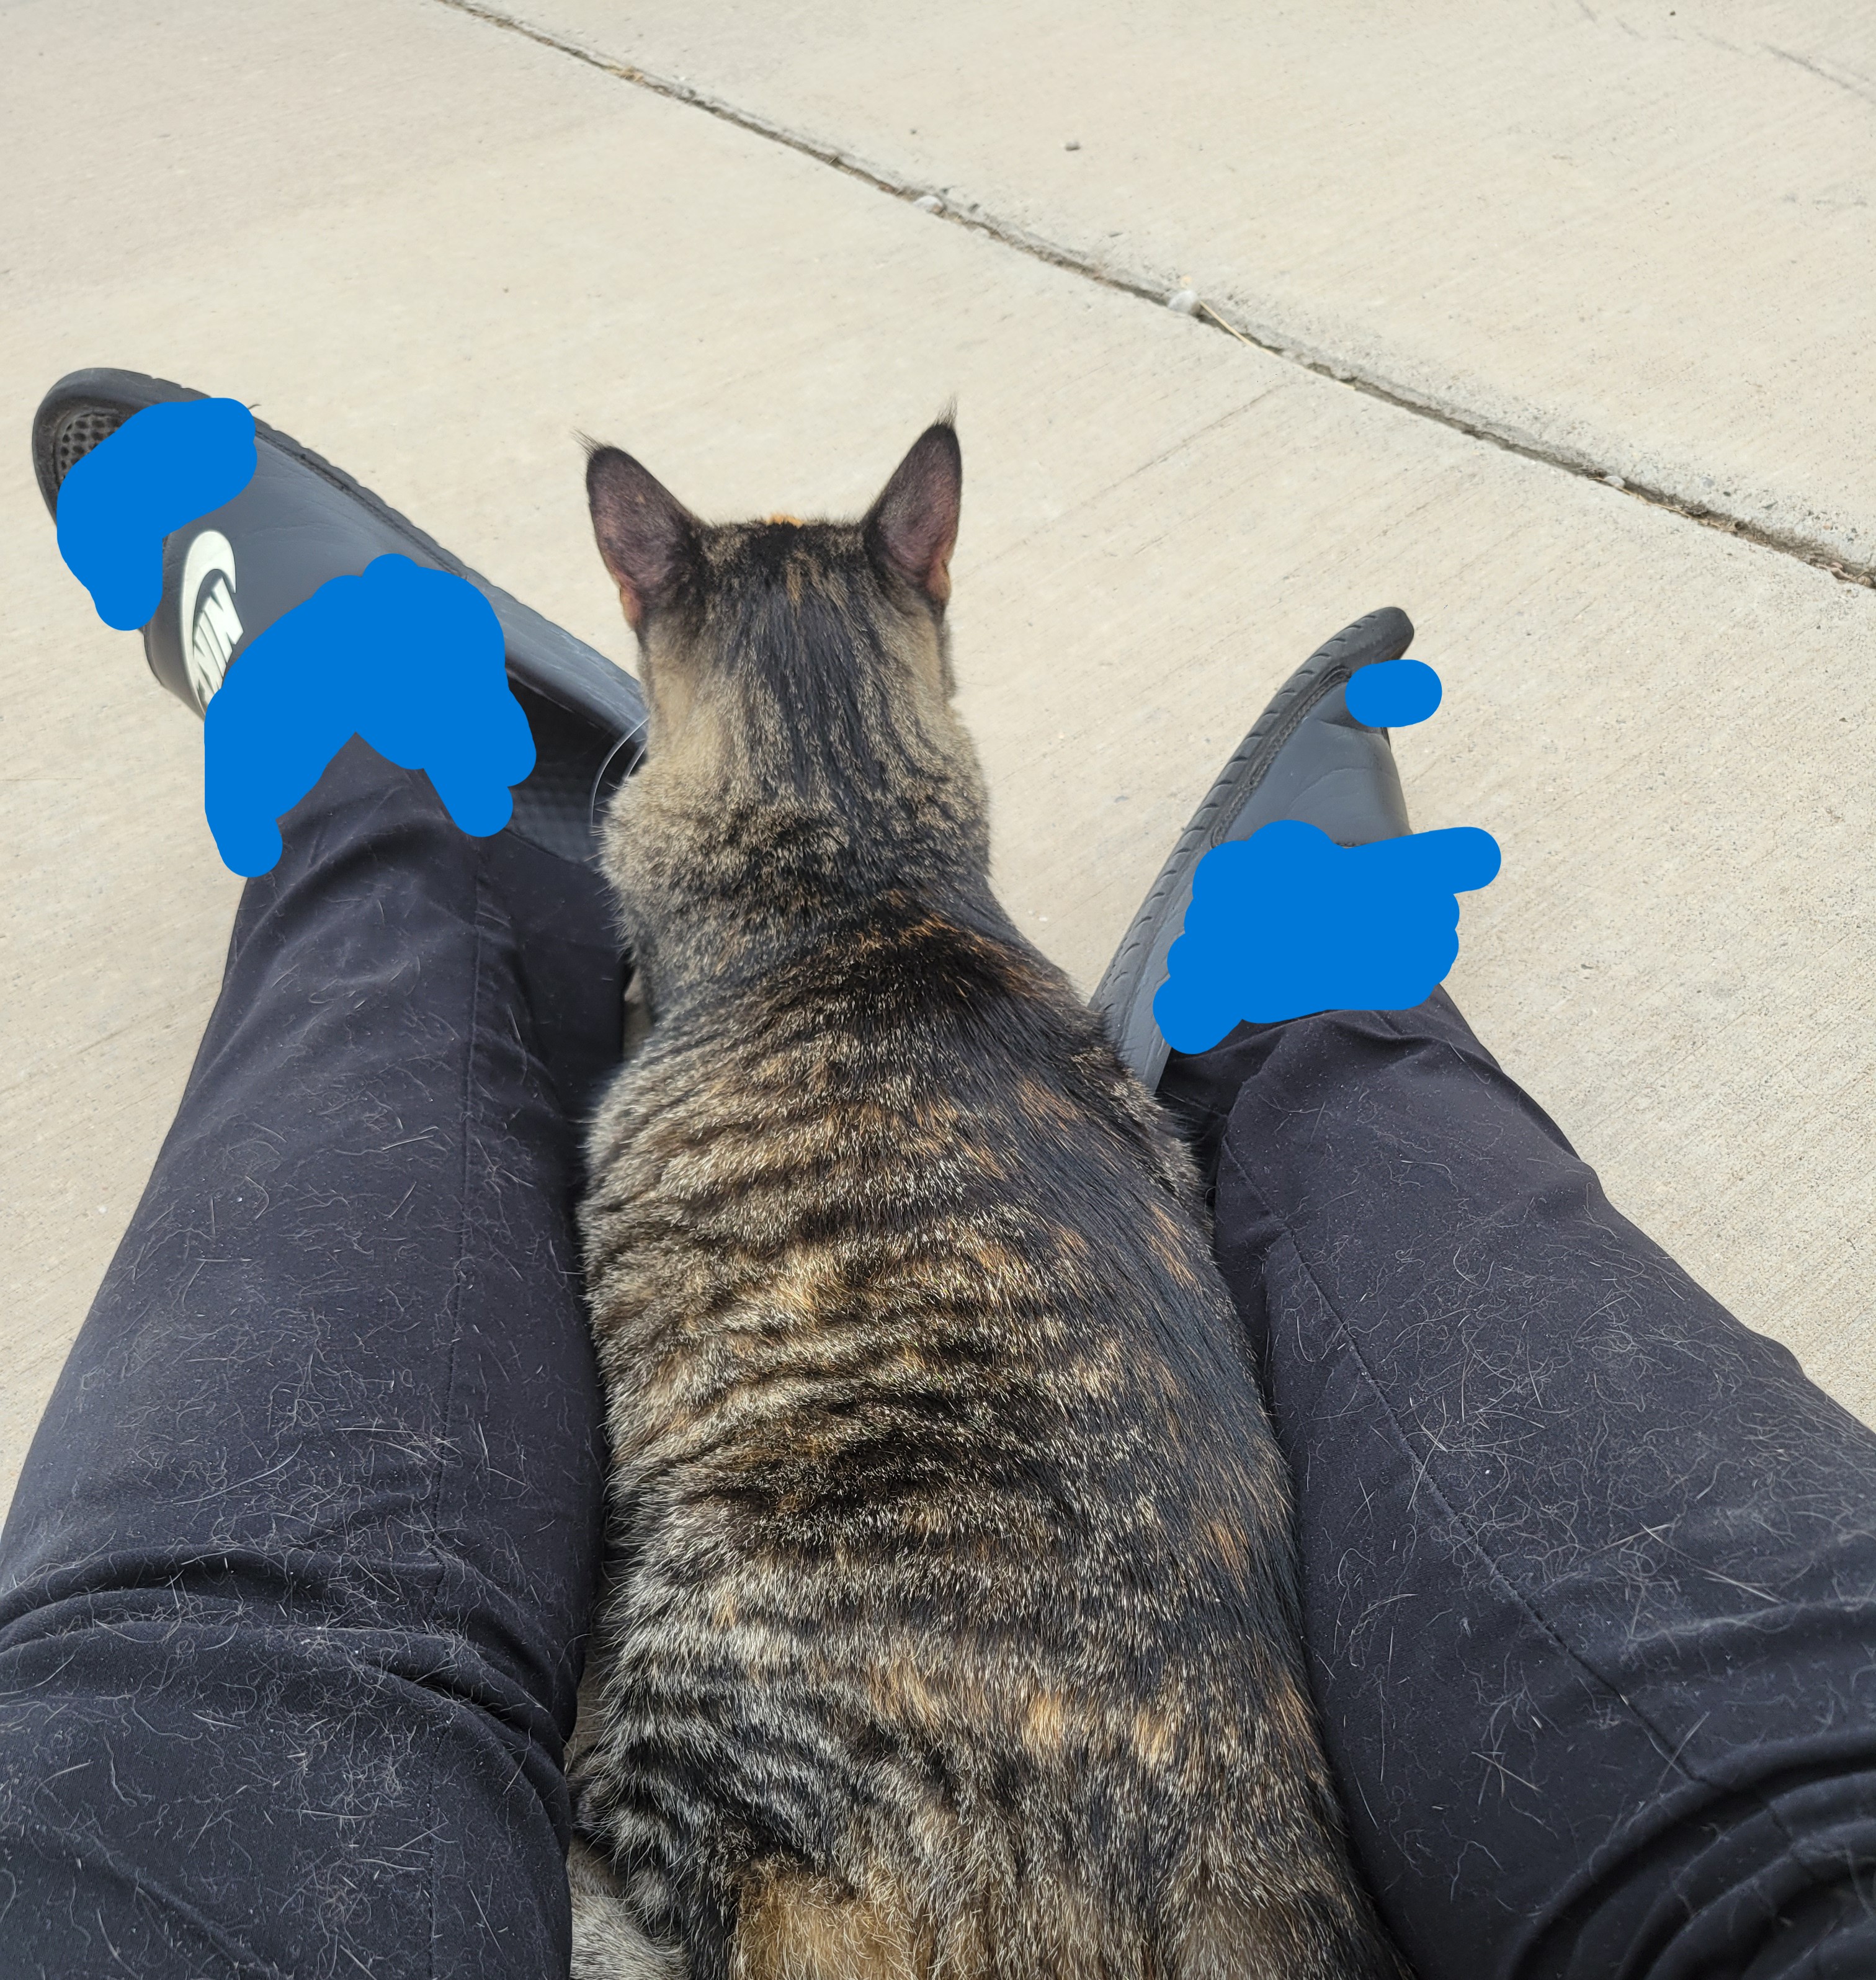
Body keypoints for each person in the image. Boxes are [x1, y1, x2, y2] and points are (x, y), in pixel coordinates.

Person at [2, 370, 1871, 1980]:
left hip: (826, 1801)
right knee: (1764, 1711)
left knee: (196, 1683)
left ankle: (403, 822)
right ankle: (1309, 1034)